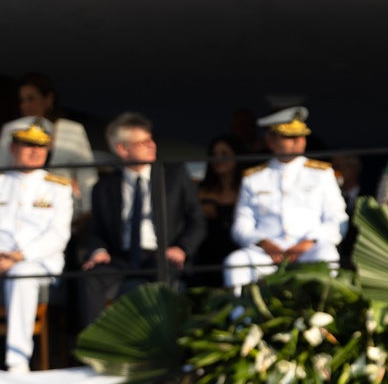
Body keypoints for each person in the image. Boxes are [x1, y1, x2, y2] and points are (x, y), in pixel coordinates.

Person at [80, 113, 206, 327]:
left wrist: (182, 248)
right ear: (122, 149)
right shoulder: (104, 187)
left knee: (164, 273)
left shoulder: (174, 176)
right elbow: (95, 229)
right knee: (88, 278)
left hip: (162, 254)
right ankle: (94, 350)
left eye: (151, 139)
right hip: (121, 257)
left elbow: (198, 220)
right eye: (143, 142)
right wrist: (98, 250)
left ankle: (165, 348)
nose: (152, 145)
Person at [224, 107, 348, 291]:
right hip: (267, 253)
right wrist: (264, 243)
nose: (298, 141)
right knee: (236, 262)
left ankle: (323, 316)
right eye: (289, 136)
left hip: (308, 250)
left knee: (328, 254)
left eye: (301, 135)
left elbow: (337, 219)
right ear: (271, 141)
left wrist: (309, 242)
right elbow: (241, 225)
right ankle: (242, 319)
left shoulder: (322, 173)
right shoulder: (253, 177)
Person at [0, 119, 73, 373]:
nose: (35, 150)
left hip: (38, 261)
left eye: (41, 146)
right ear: (12, 147)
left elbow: (58, 236)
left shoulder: (59, 187)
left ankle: (17, 361)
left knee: (22, 275)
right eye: (28, 144)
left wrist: (19, 256)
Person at [0, 73, 99, 230]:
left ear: (48, 99)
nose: (25, 105)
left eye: (31, 98)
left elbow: (87, 174)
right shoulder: (12, 130)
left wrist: (89, 211)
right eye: (21, 100)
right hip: (19, 215)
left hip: (67, 214)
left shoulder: (72, 130)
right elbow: (3, 170)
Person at [192, 135, 248, 287]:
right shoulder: (201, 191)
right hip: (207, 258)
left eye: (224, 154)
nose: (218, 159)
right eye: (214, 154)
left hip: (240, 254)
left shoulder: (249, 188)